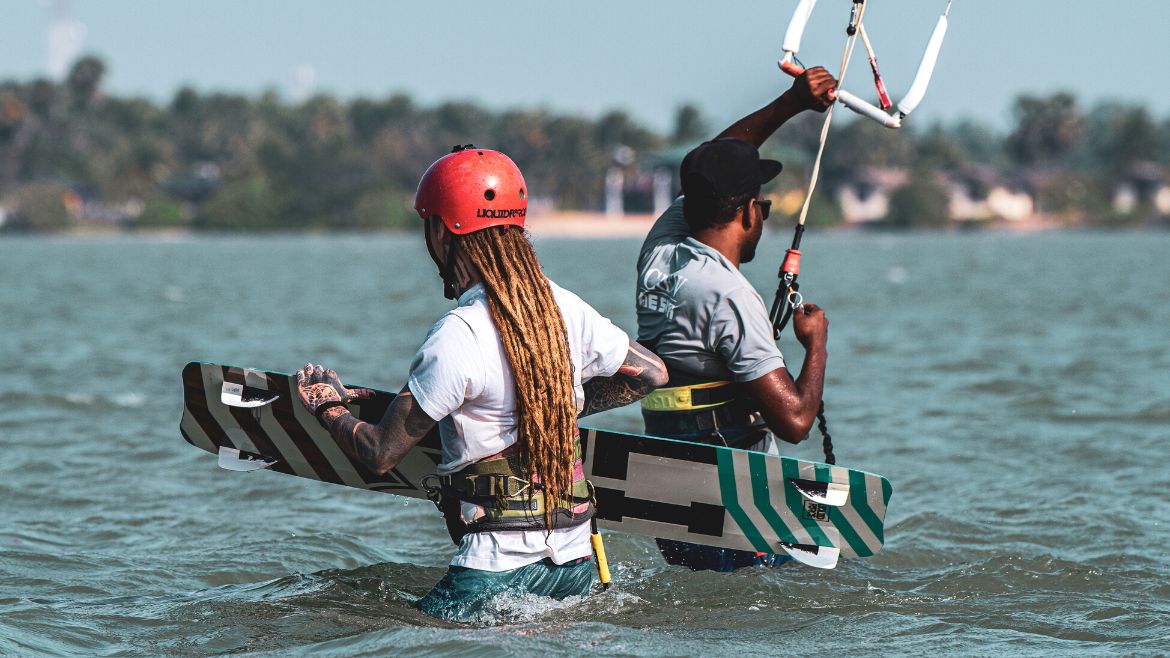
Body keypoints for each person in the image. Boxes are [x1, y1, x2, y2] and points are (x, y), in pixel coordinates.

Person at [294, 146, 668, 621]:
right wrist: (554, 406)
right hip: (575, 562)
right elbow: (650, 374)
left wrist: (328, 406)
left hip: (493, 568)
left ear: (442, 231)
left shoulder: (459, 333)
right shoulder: (565, 307)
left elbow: (379, 453)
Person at [635, 68, 837, 572]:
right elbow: (794, 422)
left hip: (672, 496)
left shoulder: (660, 250)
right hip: (736, 509)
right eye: (763, 207)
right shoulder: (728, 296)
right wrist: (816, 345)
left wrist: (792, 101)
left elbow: (714, 160)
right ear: (750, 212)